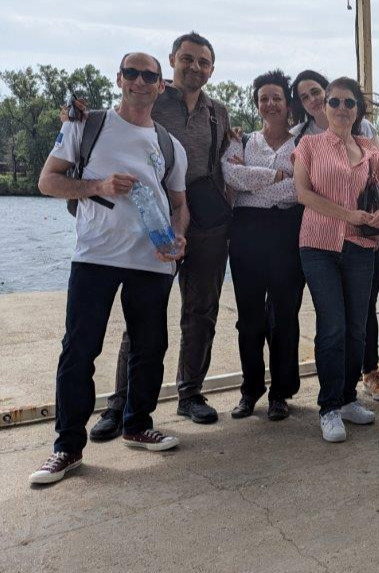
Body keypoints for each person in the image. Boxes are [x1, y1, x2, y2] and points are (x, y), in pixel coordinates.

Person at [30, 53, 189, 484]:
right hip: (95, 255)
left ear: (161, 85)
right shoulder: (86, 125)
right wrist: (98, 187)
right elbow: (48, 181)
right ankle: (67, 447)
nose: (140, 81)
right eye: (132, 73)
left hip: (151, 263)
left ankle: (137, 425)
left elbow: (180, 206)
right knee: (80, 349)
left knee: (150, 347)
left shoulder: (170, 146)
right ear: (119, 79)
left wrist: (178, 238)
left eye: (149, 76)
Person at [86, 32, 233, 439]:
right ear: (172, 61)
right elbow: (111, 125)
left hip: (203, 218)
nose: (195, 67)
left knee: (201, 312)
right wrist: (74, 117)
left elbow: (222, 162)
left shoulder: (217, 113)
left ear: (211, 69)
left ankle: (190, 394)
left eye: (203, 62)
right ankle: (121, 404)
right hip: (148, 220)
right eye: (187, 59)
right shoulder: (150, 98)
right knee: (143, 316)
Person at [293, 77, 379, 442]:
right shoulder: (308, 145)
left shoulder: (369, 148)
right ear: (324, 107)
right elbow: (303, 194)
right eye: (333, 102)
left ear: (358, 110)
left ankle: (349, 397)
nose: (340, 109)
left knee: (356, 327)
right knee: (333, 326)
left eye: (348, 103)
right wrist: (347, 215)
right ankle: (329, 407)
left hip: (361, 249)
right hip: (319, 245)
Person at [221, 70, 304, 421]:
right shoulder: (241, 141)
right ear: (257, 104)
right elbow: (231, 176)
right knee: (249, 317)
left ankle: (281, 392)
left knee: (284, 316)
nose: (270, 104)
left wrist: (255, 181)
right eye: (263, 98)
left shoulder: (302, 144)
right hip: (247, 232)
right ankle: (250, 388)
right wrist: (276, 175)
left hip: (287, 230)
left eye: (276, 98)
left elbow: (300, 190)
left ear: (287, 104)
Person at [291, 69, 379, 148]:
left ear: (328, 92)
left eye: (316, 92)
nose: (312, 99)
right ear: (301, 105)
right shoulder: (297, 135)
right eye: (305, 98)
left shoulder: (362, 126)